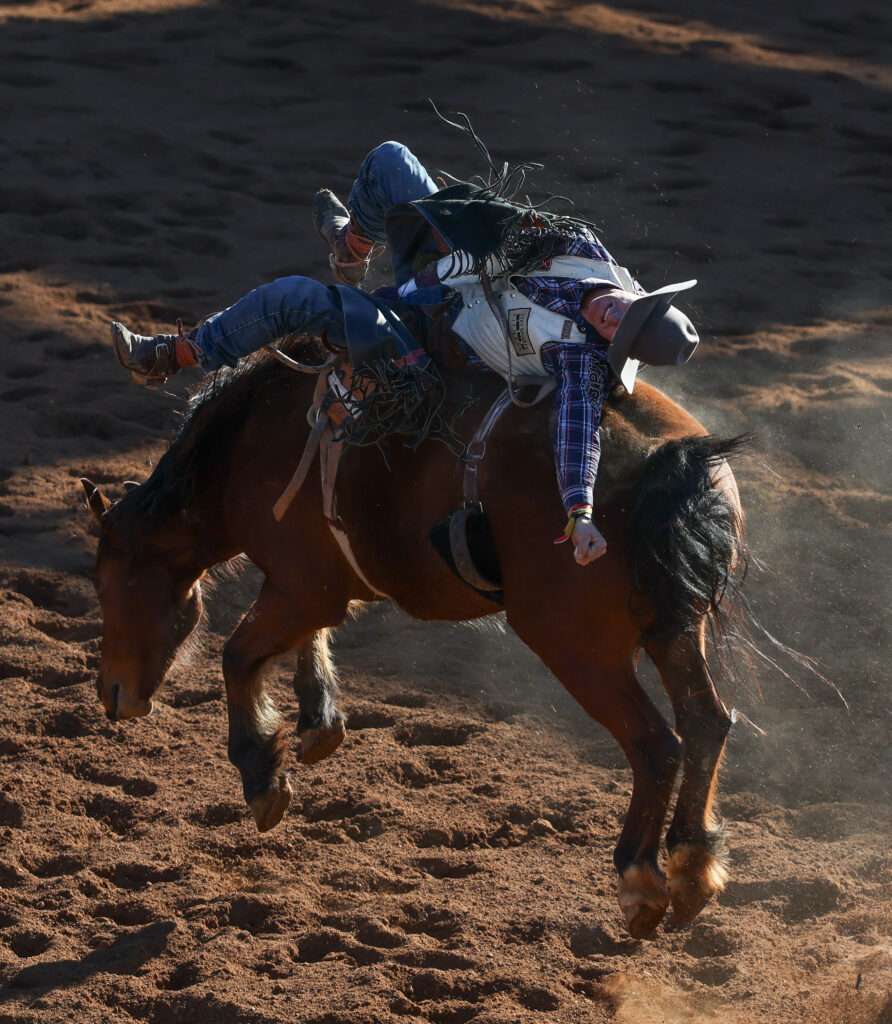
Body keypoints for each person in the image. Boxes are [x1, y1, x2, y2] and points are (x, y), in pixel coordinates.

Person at [111, 141, 700, 566]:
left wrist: (581, 513)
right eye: (626, 313)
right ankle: (351, 246)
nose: (609, 322)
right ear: (640, 295)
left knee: (294, 299)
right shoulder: (586, 249)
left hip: (426, 339)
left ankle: (175, 356)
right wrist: (468, 243)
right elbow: (512, 228)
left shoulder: (578, 361)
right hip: (454, 268)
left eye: (615, 337)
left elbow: (579, 434)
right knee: (390, 161)